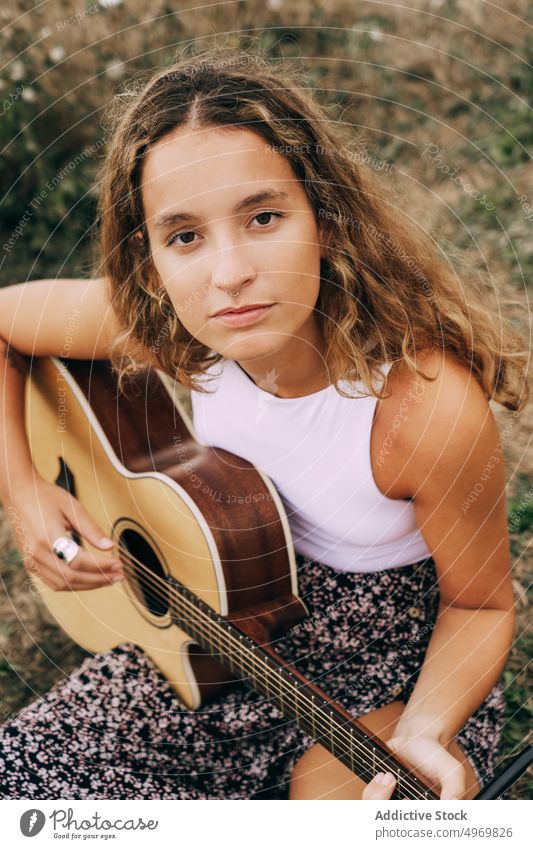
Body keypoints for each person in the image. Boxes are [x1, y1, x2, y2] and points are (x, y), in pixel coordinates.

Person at [0, 46, 527, 801]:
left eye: (263, 217)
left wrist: (425, 727)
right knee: (24, 775)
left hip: (386, 677)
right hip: (214, 615)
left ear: (325, 217)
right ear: (149, 264)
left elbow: (479, 604)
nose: (229, 273)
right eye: (184, 236)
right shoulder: (175, 326)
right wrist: (22, 493)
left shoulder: (421, 404)